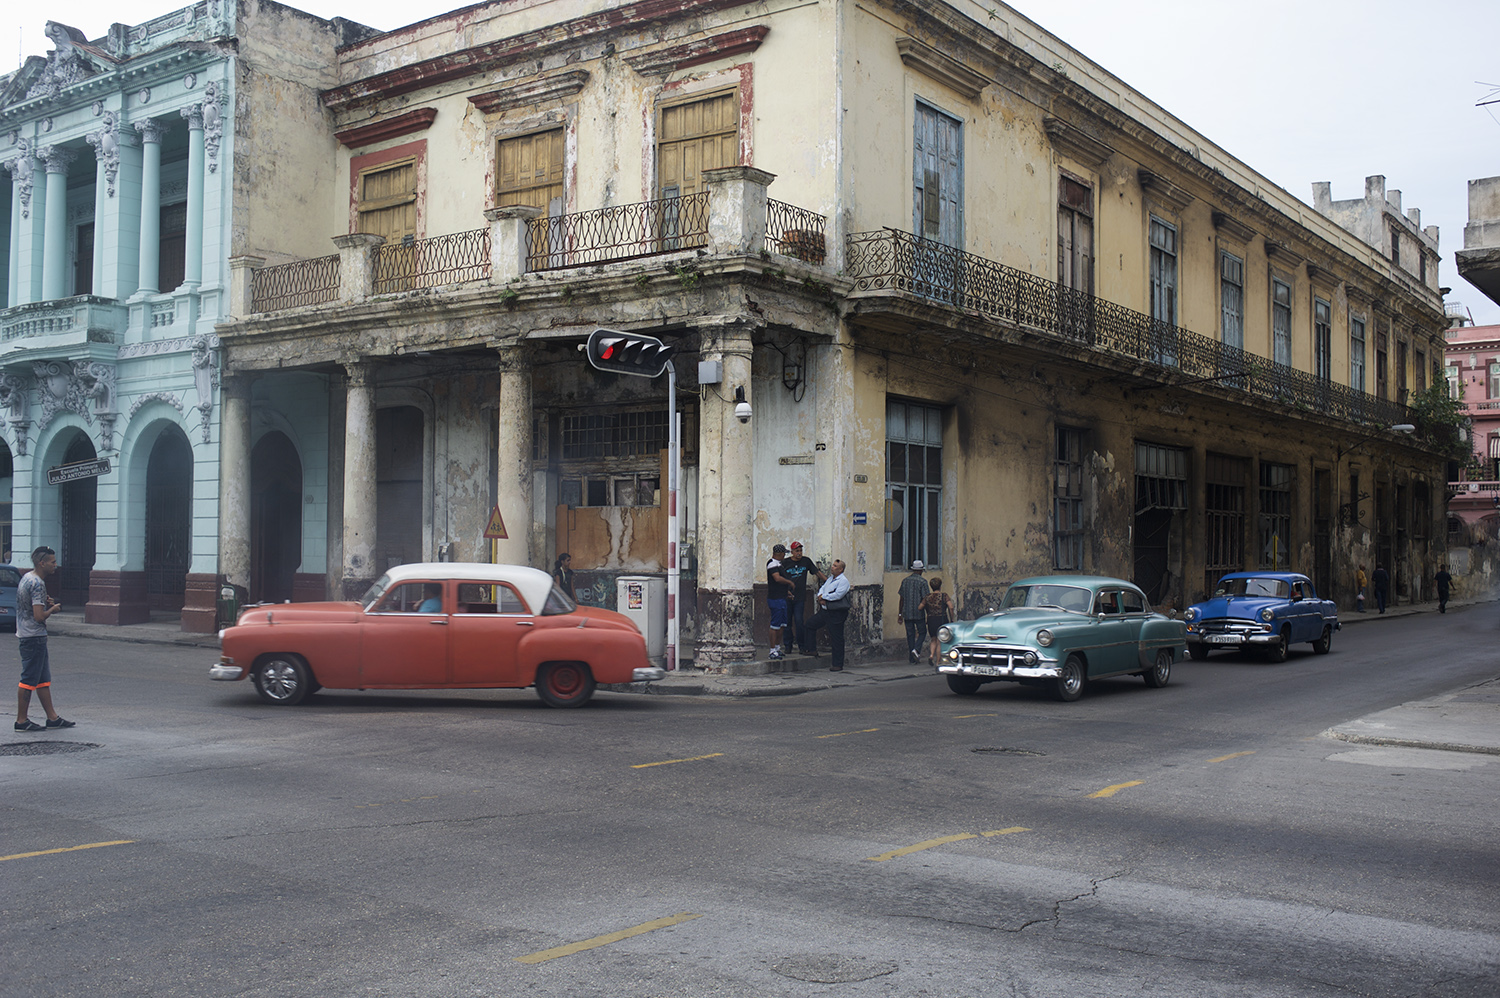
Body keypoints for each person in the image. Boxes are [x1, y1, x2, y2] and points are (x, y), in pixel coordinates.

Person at [14, 545, 73, 732]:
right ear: (42, 563)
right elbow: (39, 616)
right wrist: (52, 610)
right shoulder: (37, 583)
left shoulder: (27, 578)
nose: (55, 565)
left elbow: (30, 606)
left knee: (42, 679)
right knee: (29, 679)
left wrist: (43, 604)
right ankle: (21, 721)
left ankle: (52, 718)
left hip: (28, 634)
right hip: (33, 636)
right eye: (52, 562)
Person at [804, 559, 852, 671]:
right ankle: (811, 649)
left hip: (836, 612)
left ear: (841, 569)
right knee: (810, 624)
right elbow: (822, 589)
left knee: (836, 638)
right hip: (825, 611)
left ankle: (837, 664)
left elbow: (838, 595)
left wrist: (825, 598)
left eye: (835, 566)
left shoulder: (843, 581)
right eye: (833, 565)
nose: (832, 567)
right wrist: (821, 596)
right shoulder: (830, 579)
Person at [781, 541, 826, 656]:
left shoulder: (806, 561)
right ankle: (788, 645)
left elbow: (817, 572)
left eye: (800, 550)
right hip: (787, 597)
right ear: (792, 552)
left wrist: (829, 581)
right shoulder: (785, 563)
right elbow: (779, 578)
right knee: (787, 622)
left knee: (799, 621)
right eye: (797, 551)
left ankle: (802, 646)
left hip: (800, 597)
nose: (799, 553)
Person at [895, 559, 928, 664]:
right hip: (919, 613)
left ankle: (911, 657)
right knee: (922, 632)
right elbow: (926, 599)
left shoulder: (905, 581)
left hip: (907, 612)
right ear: (921, 570)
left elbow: (902, 598)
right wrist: (928, 613)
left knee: (910, 635)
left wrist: (900, 613)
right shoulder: (923, 582)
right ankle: (916, 650)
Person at [917, 576, 954, 669]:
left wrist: (928, 610)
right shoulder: (944, 596)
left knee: (933, 639)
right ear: (940, 586)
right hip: (941, 619)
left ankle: (931, 655)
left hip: (931, 620)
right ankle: (938, 662)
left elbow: (919, 607)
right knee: (940, 641)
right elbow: (951, 607)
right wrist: (952, 618)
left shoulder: (928, 597)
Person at [765, 544, 793, 660]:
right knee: (775, 625)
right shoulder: (772, 564)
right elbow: (777, 578)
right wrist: (789, 582)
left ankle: (777, 648)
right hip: (775, 599)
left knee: (782, 624)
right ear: (780, 554)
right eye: (784, 554)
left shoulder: (779, 564)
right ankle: (772, 650)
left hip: (782, 598)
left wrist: (787, 592)